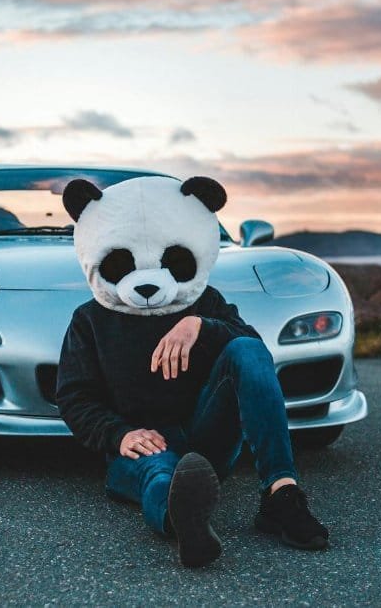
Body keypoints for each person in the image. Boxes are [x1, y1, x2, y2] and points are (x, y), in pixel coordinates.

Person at [55, 175, 330, 568]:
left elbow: (254, 356)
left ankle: (281, 494)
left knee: (246, 348)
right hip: (143, 442)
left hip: (206, 435)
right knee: (159, 474)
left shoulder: (206, 301)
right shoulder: (89, 319)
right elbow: (73, 395)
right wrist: (119, 435)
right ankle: (184, 525)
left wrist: (200, 324)